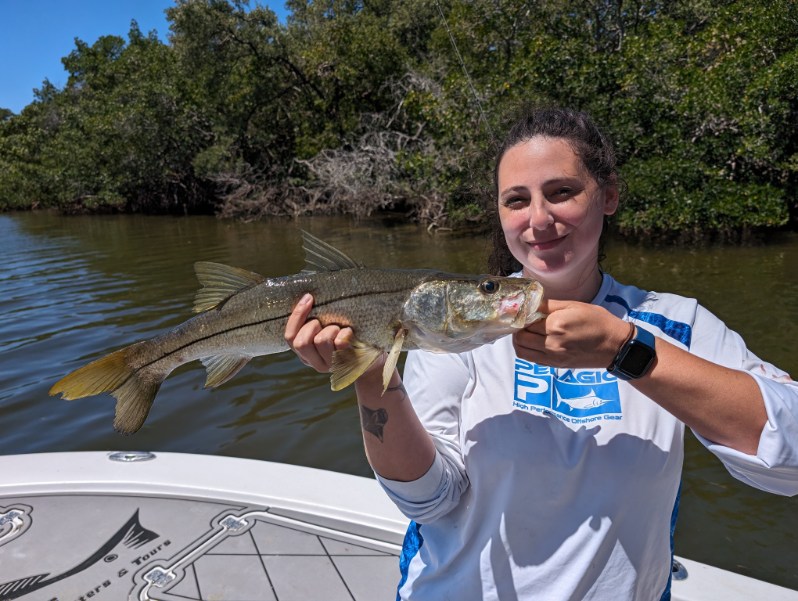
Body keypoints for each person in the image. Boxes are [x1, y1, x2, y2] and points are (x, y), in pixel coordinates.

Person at [284, 107, 798, 600]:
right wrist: (375, 378)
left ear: (609, 195)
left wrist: (626, 350)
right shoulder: (453, 327)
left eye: (562, 192)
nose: (539, 219)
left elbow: (789, 464)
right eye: (516, 200)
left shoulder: (672, 323)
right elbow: (428, 501)